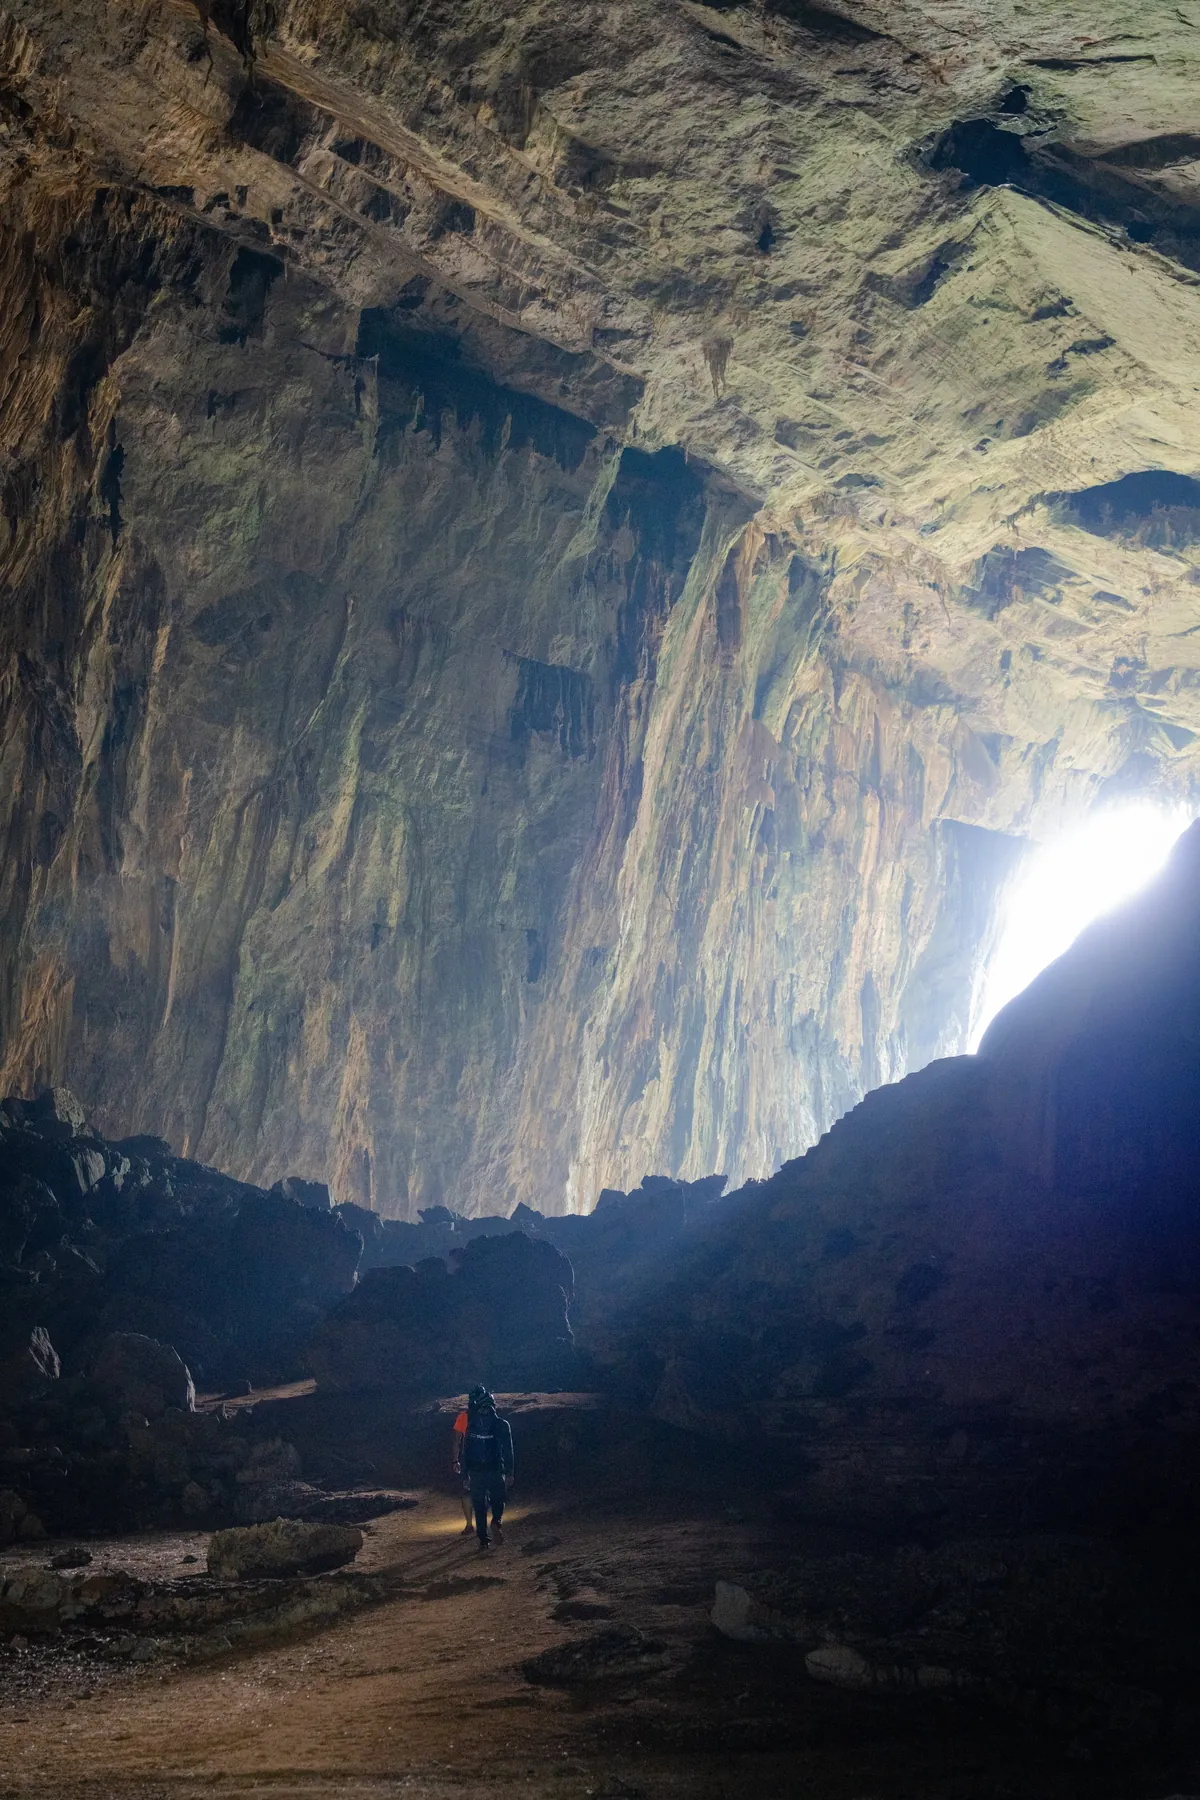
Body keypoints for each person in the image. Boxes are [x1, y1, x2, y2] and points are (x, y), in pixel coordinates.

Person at [460, 1384, 514, 1552]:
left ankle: (483, 1540)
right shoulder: (502, 1425)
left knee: (479, 1506)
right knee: (499, 1500)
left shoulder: (470, 1424)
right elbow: (508, 1450)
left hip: (476, 1471)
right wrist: (510, 1472)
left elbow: (465, 1450)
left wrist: (464, 1474)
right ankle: (496, 1521)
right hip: (495, 1469)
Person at [451, 1403, 474, 1534]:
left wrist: (455, 1460)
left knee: (467, 1492)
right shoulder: (489, 1415)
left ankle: (469, 1524)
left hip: (468, 1458)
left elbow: (456, 1441)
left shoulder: (463, 1417)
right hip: (487, 1457)